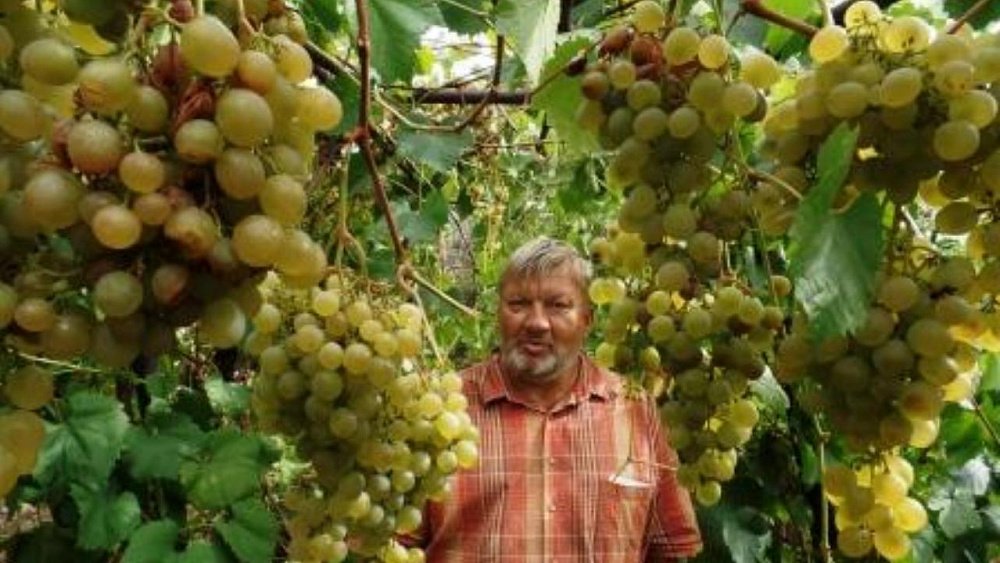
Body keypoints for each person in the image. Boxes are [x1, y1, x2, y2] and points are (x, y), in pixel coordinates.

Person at [413, 237, 702, 562]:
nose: (536, 322)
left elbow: (671, 549)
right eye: (518, 304)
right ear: (498, 314)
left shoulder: (636, 409)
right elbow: (393, 545)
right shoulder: (445, 409)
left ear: (587, 319)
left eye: (558, 305)